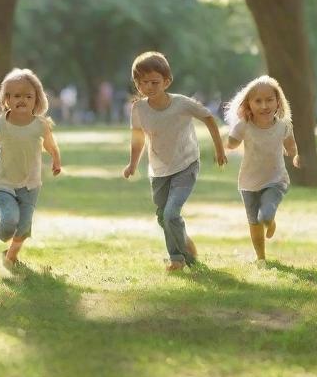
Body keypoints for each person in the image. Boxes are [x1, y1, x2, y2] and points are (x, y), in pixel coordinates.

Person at [123, 51, 227, 271]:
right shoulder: (139, 108)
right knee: (163, 217)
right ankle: (184, 242)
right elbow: (138, 138)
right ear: (137, 83)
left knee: (171, 213)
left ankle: (179, 259)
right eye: (143, 82)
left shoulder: (181, 104)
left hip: (185, 165)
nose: (149, 87)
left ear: (167, 81)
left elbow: (209, 118)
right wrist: (132, 164)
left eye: (154, 82)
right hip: (158, 170)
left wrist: (219, 150)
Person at [0, 68, 61, 272]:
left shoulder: (40, 125)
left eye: (28, 96)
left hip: (31, 185)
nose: (23, 100)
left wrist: (56, 160)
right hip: (3, 183)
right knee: (10, 223)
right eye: (17, 96)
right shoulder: (1, 124)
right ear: (6, 99)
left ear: (37, 100)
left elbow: (51, 146)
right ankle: (3, 229)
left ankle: (10, 258)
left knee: (24, 228)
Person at [223, 75, 299, 263]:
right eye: (258, 101)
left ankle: (270, 220)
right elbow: (231, 143)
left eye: (269, 100)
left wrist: (295, 156)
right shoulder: (244, 126)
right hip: (249, 182)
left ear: (278, 102)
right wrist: (227, 143)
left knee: (265, 214)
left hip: (276, 179)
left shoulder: (283, 126)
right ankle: (261, 258)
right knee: (254, 222)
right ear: (249, 104)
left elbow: (291, 146)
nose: (264, 106)